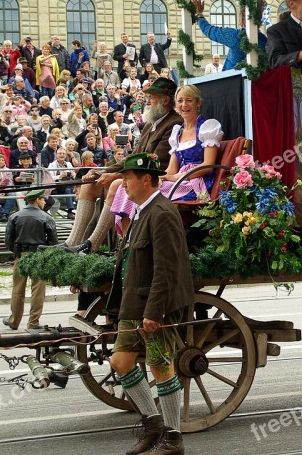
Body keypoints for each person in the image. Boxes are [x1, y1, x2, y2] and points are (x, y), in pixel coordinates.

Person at [104, 152, 191, 455]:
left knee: (160, 366)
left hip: (154, 307)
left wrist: (154, 311)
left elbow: (167, 269)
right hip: (134, 305)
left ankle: (174, 438)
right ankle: (154, 427)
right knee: (120, 363)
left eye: (127, 176)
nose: (123, 182)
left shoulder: (162, 212)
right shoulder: (142, 211)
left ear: (145, 179)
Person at [64, 77, 182, 253]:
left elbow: (153, 162)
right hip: (137, 176)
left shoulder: (174, 123)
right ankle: (72, 243)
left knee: (115, 184)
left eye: (152, 97)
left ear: (165, 100)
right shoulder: (150, 124)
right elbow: (134, 156)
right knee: (89, 185)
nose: (147, 101)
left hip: (152, 180)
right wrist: (101, 171)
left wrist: (117, 175)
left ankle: (91, 245)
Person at [2, 189, 58, 330]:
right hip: (39, 256)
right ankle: (33, 323)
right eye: (43, 199)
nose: (45, 202)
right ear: (37, 200)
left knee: (17, 289)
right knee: (38, 291)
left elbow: (8, 240)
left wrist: (18, 252)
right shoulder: (46, 217)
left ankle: (14, 321)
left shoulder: (15, 216)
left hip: (21, 255)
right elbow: (53, 242)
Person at [191, 0, 268, 72]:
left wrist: (199, 14)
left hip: (233, 83)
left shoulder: (235, 36)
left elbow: (209, 30)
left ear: (242, 15)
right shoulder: (265, 41)